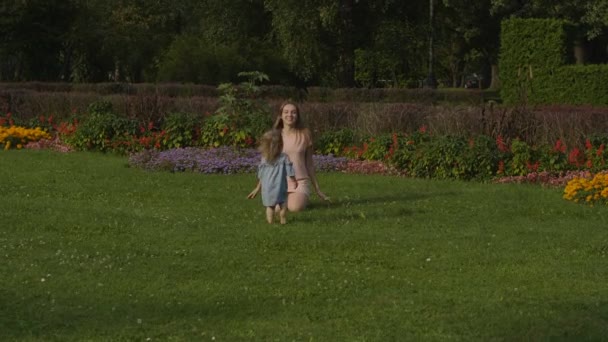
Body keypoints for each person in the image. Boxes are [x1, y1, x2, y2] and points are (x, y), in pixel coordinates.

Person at [273, 101, 330, 212]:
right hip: (279, 182)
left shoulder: (305, 134)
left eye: (293, 112)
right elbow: (268, 163)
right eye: (286, 112)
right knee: (276, 209)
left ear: (297, 116)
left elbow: (309, 164)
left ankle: (302, 197)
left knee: (295, 208)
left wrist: (317, 189)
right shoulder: (274, 136)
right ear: (281, 115)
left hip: (299, 181)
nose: (290, 115)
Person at [247, 129, 296, 224]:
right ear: (281, 145)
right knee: (283, 203)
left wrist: (257, 188)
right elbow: (290, 170)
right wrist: (294, 180)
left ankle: (270, 222)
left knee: (270, 207)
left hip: (267, 188)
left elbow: (261, 174)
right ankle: (282, 217)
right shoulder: (284, 157)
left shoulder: (265, 158)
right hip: (280, 185)